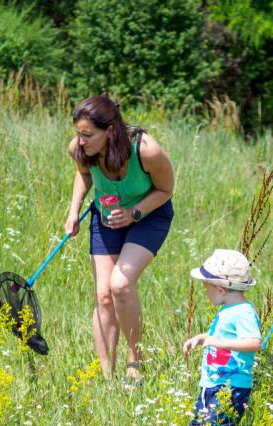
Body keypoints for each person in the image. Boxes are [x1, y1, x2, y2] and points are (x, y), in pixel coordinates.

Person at [64, 96, 174, 383]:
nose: (81, 141)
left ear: (110, 130)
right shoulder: (80, 149)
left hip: (148, 214)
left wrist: (134, 213)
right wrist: (74, 210)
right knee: (103, 295)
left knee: (121, 285)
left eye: (88, 135)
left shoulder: (145, 150)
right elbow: (83, 174)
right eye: (78, 133)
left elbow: (165, 190)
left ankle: (134, 360)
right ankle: (107, 379)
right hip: (107, 217)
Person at [183, 249, 261, 426]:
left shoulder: (244, 313)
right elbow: (218, 337)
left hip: (232, 384)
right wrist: (202, 339)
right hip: (211, 382)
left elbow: (254, 343)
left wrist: (218, 342)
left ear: (220, 289)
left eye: (206, 288)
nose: (205, 292)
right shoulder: (227, 310)